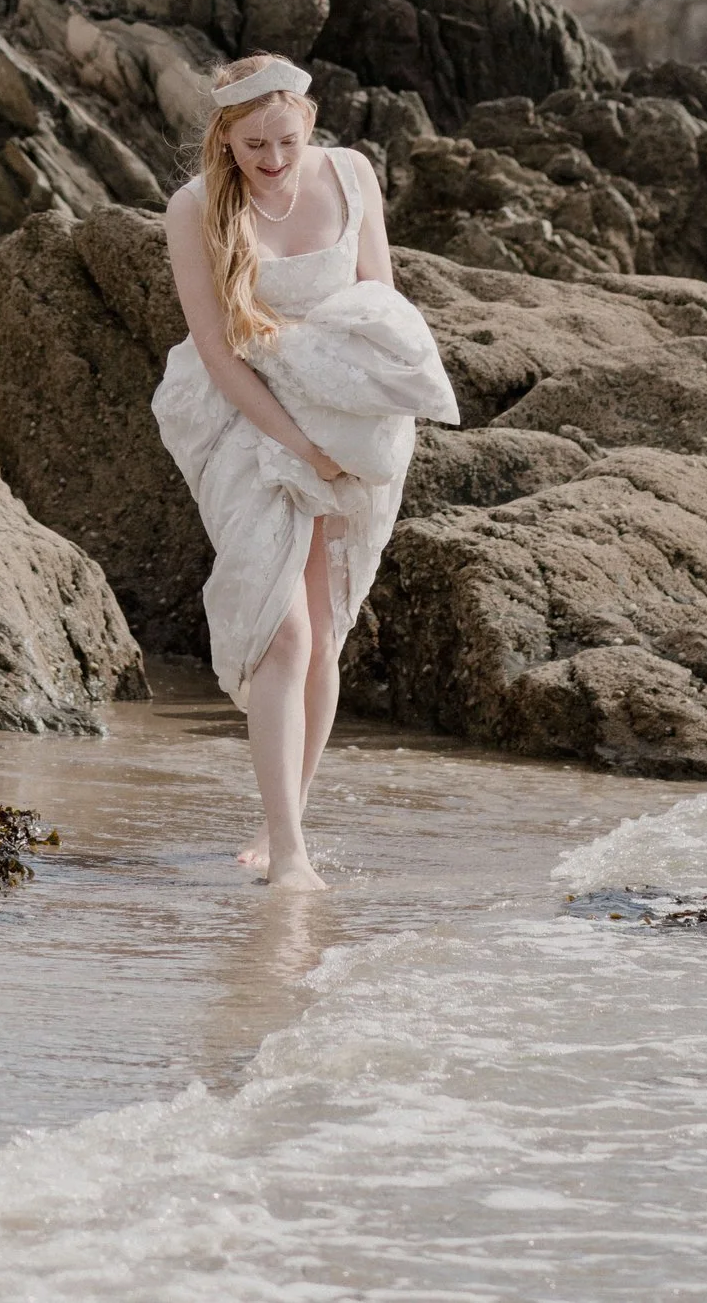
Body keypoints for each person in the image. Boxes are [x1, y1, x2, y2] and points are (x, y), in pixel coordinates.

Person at [155, 56, 457, 888]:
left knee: (323, 629)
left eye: (287, 140)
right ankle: (289, 855)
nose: (275, 159)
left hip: (348, 412)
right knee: (281, 626)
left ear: (309, 122)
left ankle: (284, 821)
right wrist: (299, 443)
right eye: (255, 146)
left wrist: (349, 440)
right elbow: (219, 352)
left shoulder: (353, 174)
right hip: (241, 418)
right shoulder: (194, 209)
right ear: (225, 137)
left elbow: (381, 316)